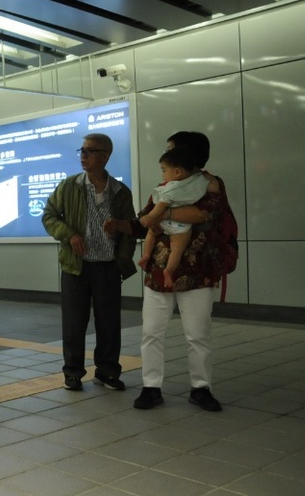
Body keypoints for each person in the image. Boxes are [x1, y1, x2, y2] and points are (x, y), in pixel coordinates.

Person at [104, 131, 226, 412]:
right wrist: (122, 224)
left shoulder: (210, 184)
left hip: (198, 272)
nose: (167, 154)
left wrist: (163, 214)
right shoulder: (165, 185)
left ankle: (201, 388)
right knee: (151, 332)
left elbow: (202, 215)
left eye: (171, 149)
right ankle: (151, 387)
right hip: (158, 271)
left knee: (198, 334)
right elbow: (143, 221)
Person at [41, 133, 137, 392]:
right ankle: (72, 373)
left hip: (107, 266)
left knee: (109, 323)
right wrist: (69, 235)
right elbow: (49, 216)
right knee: (74, 322)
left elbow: (130, 229)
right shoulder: (69, 186)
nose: (83, 155)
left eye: (90, 151)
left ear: (105, 156)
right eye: (82, 150)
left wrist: (122, 261)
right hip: (76, 267)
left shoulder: (120, 192)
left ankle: (107, 372)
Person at [137, 148, 215, 288]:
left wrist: (151, 216)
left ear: (177, 171)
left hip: (163, 222)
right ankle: (169, 270)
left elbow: (160, 206)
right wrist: (210, 178)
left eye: (164, 170)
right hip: (182, 228)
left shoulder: (171, 187)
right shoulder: (199, 182)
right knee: (177, 249)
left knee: (151, 234)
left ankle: (146, 254)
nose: (162, 174)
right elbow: (214, 188)